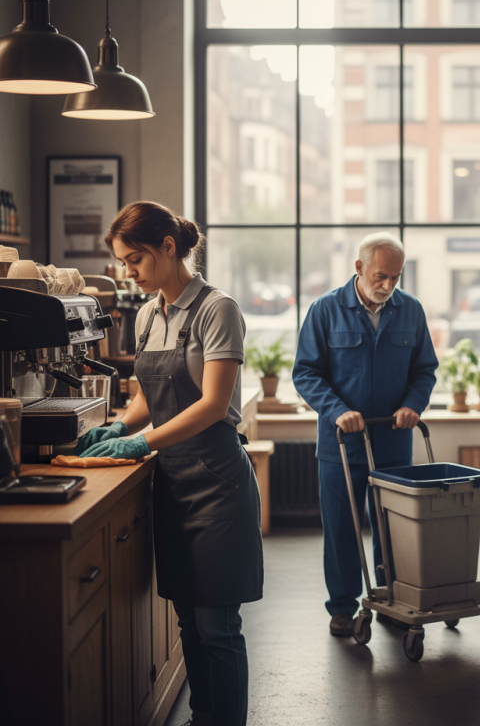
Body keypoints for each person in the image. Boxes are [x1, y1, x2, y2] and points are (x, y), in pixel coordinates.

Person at [75, 201, 263, 726]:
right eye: (122, 263)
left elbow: (210, 403)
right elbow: (145, 394)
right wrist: (121, 427)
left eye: (135, 260)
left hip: (217, 483)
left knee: (217, 625)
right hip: (173, 483)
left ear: (168, 247)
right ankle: (205, 716)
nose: (128, 273)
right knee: (186, 620)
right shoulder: (147, 313)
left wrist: (143, 443)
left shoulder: (216, 309)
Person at [292, 232, 438, 637]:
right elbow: (305, 373)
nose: (387, 285)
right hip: (341, 444)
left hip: (393, 441)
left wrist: (413, 404)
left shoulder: (411, 311)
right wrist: (338, 412)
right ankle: (342, 606)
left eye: (395, 277)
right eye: (380, 275)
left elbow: (424, 370)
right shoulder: (324, 310)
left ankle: (392, 598)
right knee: (341, 528)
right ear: (358, 268)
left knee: (393, 529)